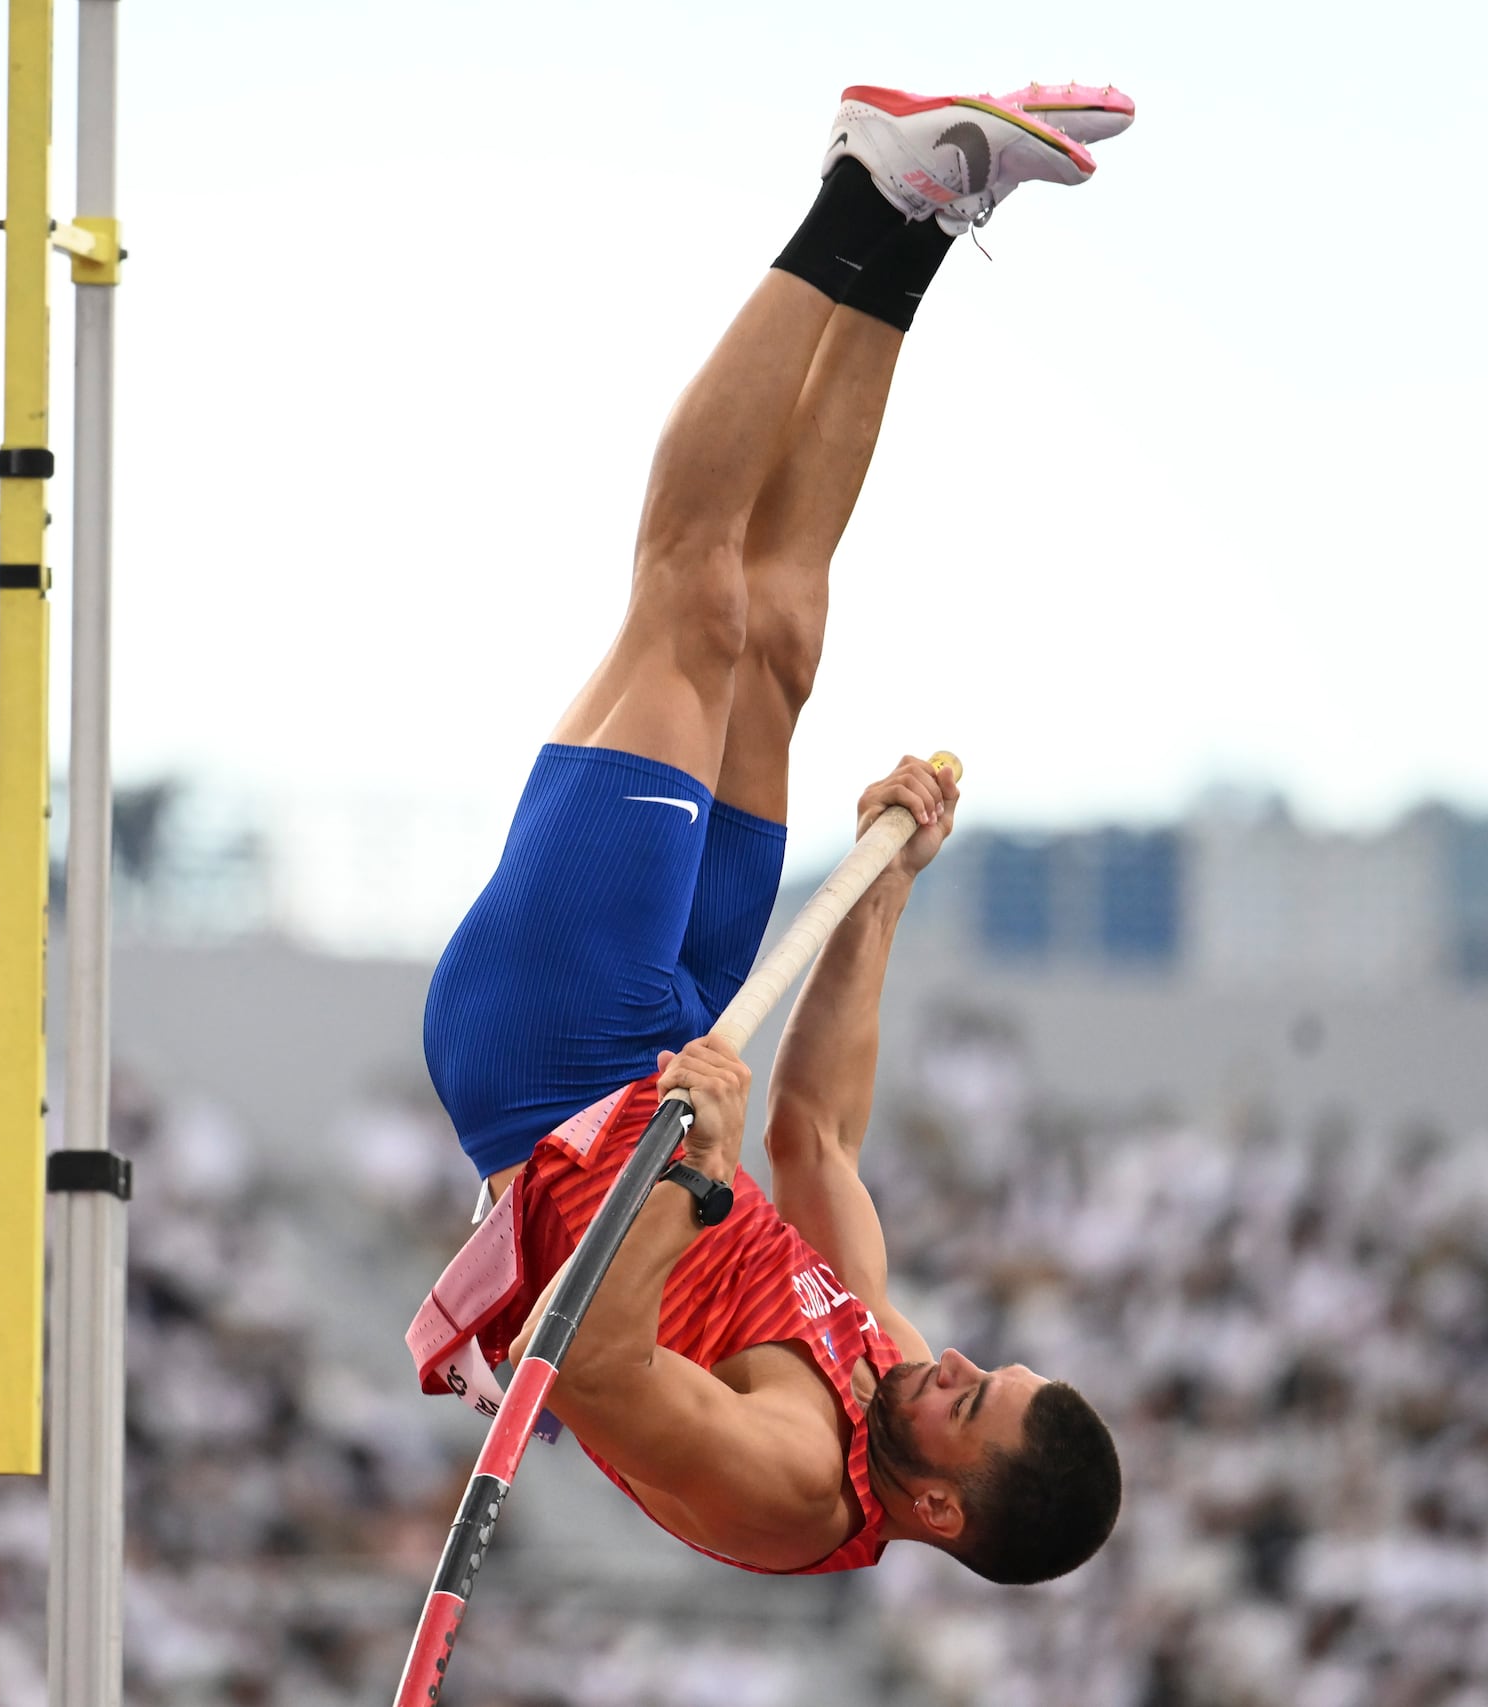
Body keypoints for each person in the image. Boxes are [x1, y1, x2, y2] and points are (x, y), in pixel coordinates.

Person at [414, 84, 1127, 1584]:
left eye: (966, 1401)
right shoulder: (886, 1370)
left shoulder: (794, 1481)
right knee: (785, 632)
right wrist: (882, 896)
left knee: (698, 597)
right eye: (984, 1366)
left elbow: (594, 1366)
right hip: (686, 1052)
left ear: (939, 1508)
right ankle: (923, 228)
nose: (948, 1363)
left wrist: (681, 1174)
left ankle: (858, 195)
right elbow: (815, 1135)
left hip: (558, 1070)